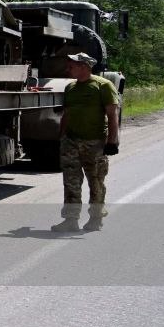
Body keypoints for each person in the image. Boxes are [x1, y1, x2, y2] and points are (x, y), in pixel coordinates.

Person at [51, 52, 120, 233]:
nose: (68, 69)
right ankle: (70, 220)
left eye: (72, 66)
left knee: (96, 182)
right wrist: (61, 138)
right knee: (71, 182)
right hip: (71, 142)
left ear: (84, 67)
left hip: (94, 143)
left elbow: (113, 115)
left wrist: (112, 142)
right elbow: (66, 114)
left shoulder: (103, 86)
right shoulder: (70, 87)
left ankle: (96, 219)